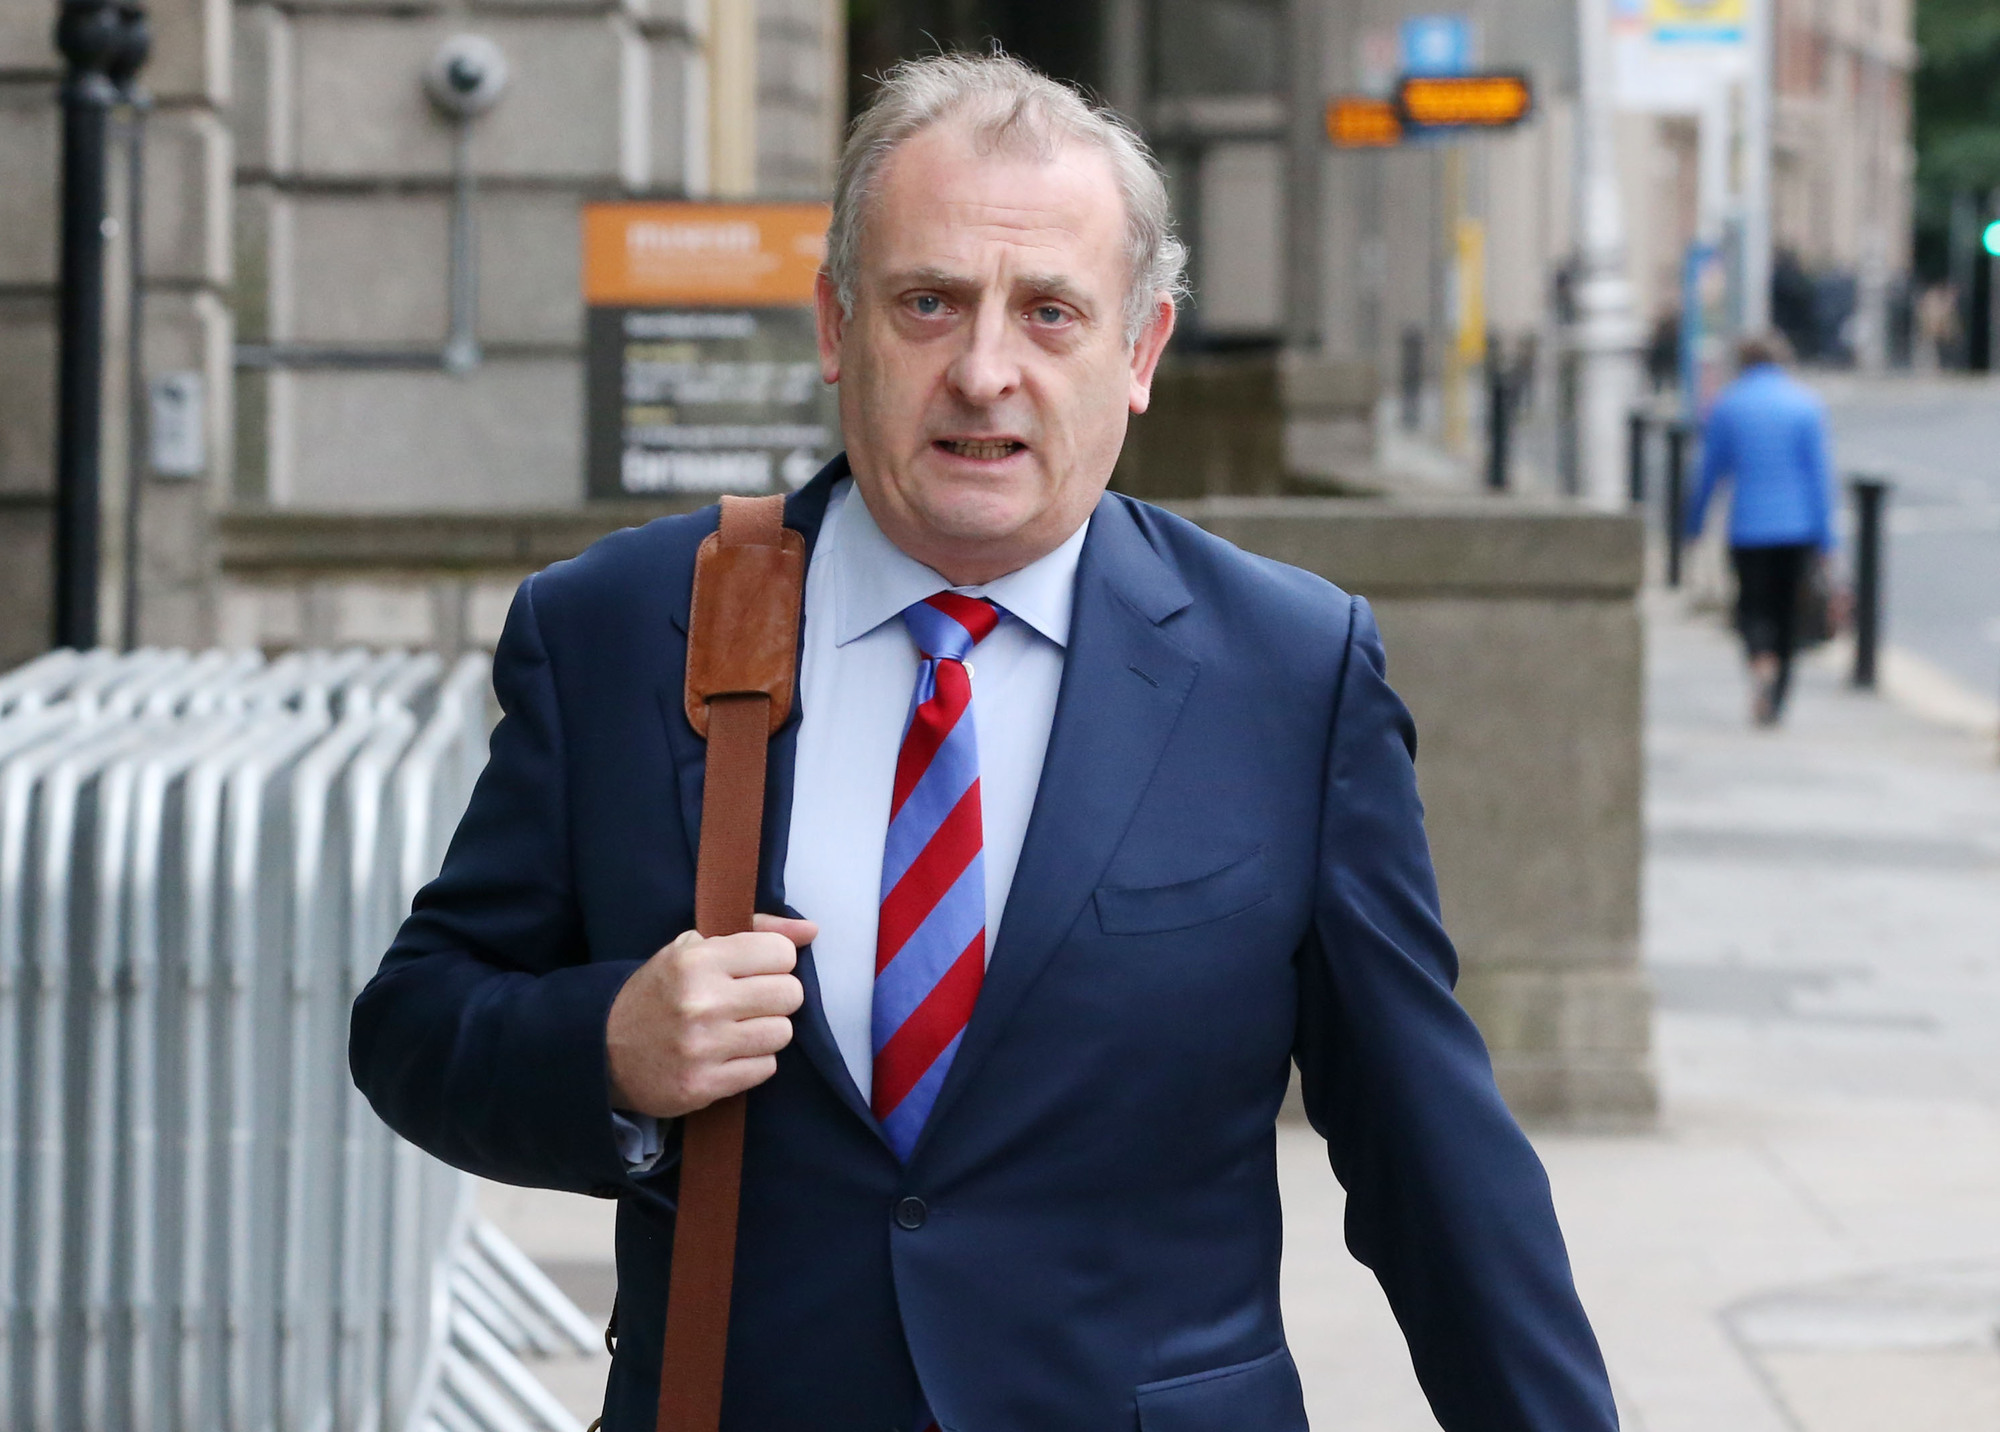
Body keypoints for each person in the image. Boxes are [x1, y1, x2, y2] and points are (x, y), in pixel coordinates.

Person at [350, 52, 1618, 1432]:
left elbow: (1429, 1152)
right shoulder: (622, 629)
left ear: (1139, 353)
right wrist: (607, 1048)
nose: (982, 371)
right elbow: (416, 1024)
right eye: (929, 302)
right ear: (836, 325)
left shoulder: (1287, 671)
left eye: (1050, 313)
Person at [1684, 332, 1837, 725]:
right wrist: (1827, 541)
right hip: (1798, 529)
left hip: (1748, 527)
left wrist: (1694, 524)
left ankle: (1760, 665)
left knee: (1752, 606)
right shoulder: (1805, 405)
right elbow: (1819, 480)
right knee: (1787, 613)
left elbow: (1709, 473)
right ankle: (1779, 694)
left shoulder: (1728, 406)